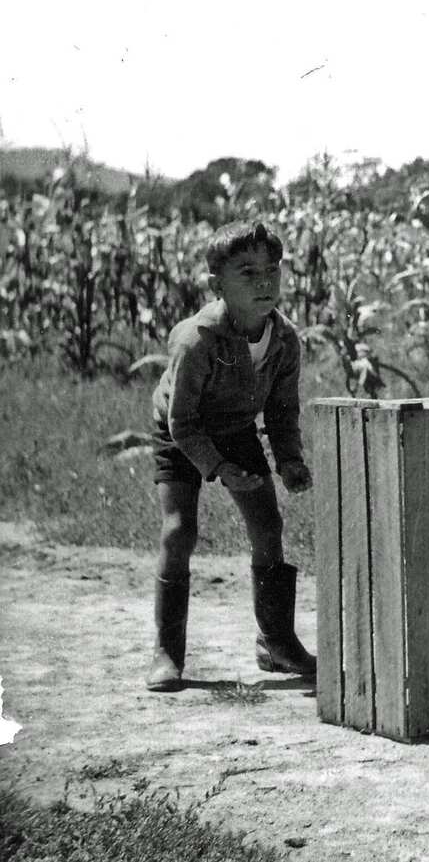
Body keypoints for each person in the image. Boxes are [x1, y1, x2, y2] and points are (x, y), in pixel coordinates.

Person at [146, 220, 316, 692]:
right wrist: (219, 470)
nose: (264, 282)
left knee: (268, 525)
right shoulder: (196, 339)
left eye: (272, 270)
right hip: (181, 430)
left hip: (236, 426)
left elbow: (282, 411)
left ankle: (276, 642)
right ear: (216, 284)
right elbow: (182, 423)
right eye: (247, 272)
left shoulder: (284, 339)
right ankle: (167, 653)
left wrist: (290, 462)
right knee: (180, 531)